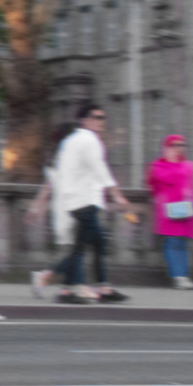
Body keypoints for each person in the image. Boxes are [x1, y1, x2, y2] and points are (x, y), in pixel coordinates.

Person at [32, 102, 138, 303]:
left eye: (103, 118)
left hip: (75, 201)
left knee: (98, 244)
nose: (101, 122)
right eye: (97, 118)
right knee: (80, 248)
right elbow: (100, 168)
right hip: (84, 201)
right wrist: (116, 194)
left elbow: (62, 173)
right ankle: (63, 288)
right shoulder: (89, 140)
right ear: (84, 120)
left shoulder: (71, 141)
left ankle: (103, 288)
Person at [145, 134, 193, 289]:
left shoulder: (189, 165)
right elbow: (160, 181)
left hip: (185, 207)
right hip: (168, 209)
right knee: (172, 242)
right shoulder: (158, 165)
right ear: (167, 147)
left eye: (182, 145)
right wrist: (172, 161)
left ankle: (184, 276)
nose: (180, 148)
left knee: (183, 242)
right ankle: (177, 276)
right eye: (176, 145)